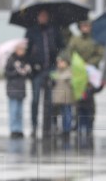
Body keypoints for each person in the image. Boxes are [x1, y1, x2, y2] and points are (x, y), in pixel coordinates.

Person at [25, 9, 64, 137]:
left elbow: (62, 47)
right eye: (41, 16)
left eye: (45, 16)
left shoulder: (54, 31)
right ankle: (34, 125)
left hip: (51, 68)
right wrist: (32, 64)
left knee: (50, 100)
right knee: (35, 99)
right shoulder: (31, 32)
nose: (43, 18)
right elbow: (27, 51)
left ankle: (49, 125)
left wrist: (59, 58)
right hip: (37, 71)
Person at [66, 20, 103, 136]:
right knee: (78, 100)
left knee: (89, 100)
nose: (85, 28)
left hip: (90, 73)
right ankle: (77, 123)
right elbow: (70, 53)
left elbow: (100, 54)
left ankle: (89, 124)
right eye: (83, 26)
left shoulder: (95, 40)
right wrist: (78, 64)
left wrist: (90, 63)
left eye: (87, 25)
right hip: (78, 72)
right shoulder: (75, 40)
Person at [5, 41, 30, 139]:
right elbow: (7, 74)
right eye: (20, 49)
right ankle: (13, 129)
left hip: (21, 89)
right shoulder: (11, 60)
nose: (22, 51)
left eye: (23, 49)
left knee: (20, 111)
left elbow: (26, 75)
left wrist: (26, 70)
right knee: (13, 110)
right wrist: (17, 72)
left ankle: (19, 129)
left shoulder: (24, 61)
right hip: (12, 89)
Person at [50, 55, 74, 135]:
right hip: (59, 98)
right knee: (62, 114)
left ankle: (67, 129)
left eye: (61, 62)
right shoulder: (56, 72)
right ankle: (63, 129)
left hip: (67, 97)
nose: (59, 64)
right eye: (58, 62)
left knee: (67, 113)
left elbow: (72, 84)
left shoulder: (70, 72)